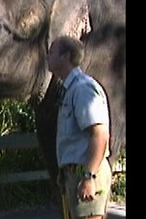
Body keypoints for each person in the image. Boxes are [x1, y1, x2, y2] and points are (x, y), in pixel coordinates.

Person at [47, 36, 112, 219]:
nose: (47, 56)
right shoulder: (69, 90)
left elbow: (99, 134)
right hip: (73, 175)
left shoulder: (82, 89)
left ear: (66, 56)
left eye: (52, 52)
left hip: (87, 173)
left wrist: (89, 177)